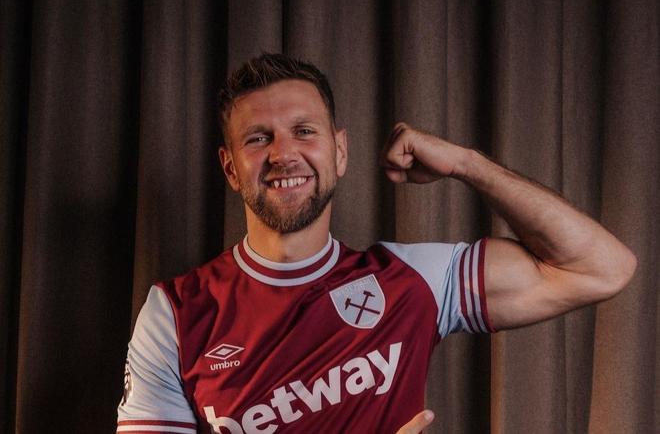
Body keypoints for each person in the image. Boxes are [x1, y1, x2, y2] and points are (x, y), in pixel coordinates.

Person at [116, 54, 636, 434]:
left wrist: (468, 164)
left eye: (304, 131)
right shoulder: (175, 314)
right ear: (230, 167)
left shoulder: (411, 282)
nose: (283, 154)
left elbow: (600, 268)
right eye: (258, 138)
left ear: (340, 152)